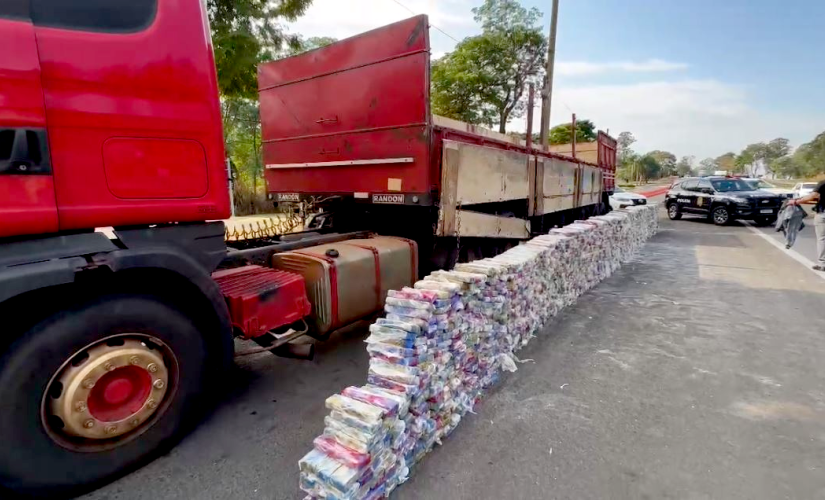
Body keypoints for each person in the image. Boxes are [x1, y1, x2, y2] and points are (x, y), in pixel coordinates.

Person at [789, 179, 825, 271]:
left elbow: (812, 196)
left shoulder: (823, 183)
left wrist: (796, 202)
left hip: (823, 214)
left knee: (822, 239)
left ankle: (822, 263)